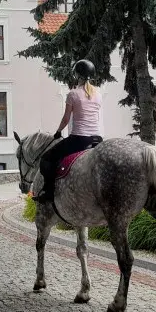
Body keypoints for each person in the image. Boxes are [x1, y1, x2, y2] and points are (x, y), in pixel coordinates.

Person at [33, 59, 103, 204]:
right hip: (97, 138)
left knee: (47, 159)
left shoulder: (73, 94)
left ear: (77, 75)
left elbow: (66, 119)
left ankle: (48, 192)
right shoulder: (98, 94)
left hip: (80, 139)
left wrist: (58, 132)